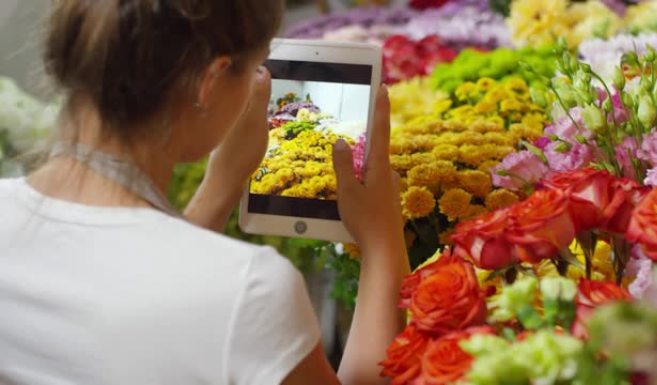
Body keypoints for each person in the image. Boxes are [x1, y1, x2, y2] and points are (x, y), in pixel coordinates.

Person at [0, 1, 409, 384]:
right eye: (256, 71)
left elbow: (143, 288)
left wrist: (221, 186)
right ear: (210, 82)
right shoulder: (249, 290)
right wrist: (382, 243)